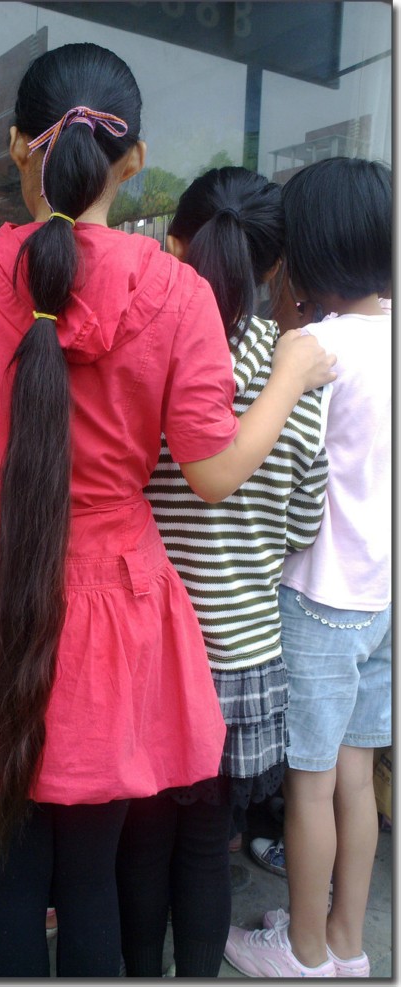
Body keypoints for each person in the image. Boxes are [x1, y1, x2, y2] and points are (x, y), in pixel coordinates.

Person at [0, 42, 335, 978]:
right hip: (116, 600)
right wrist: (289, 378)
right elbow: (211, 474)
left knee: (11, 865)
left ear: (17, 147)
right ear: (133, 161)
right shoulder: (176, 291)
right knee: (92, 873)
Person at [115, 167, 329, 977]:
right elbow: (303, 527)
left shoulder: (141, 350)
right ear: (276, 265)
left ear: (176, 243)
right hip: (240, 657)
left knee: (141, 841)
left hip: (145, 647)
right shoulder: (300, 374)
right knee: (208, 844)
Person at [225, 157, 391, 978]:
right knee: (356, 778)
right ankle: (347, 942)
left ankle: (302, 949)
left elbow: (263, 461)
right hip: (382, 600)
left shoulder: (315, 348)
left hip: (319, 596)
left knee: (310, 786)